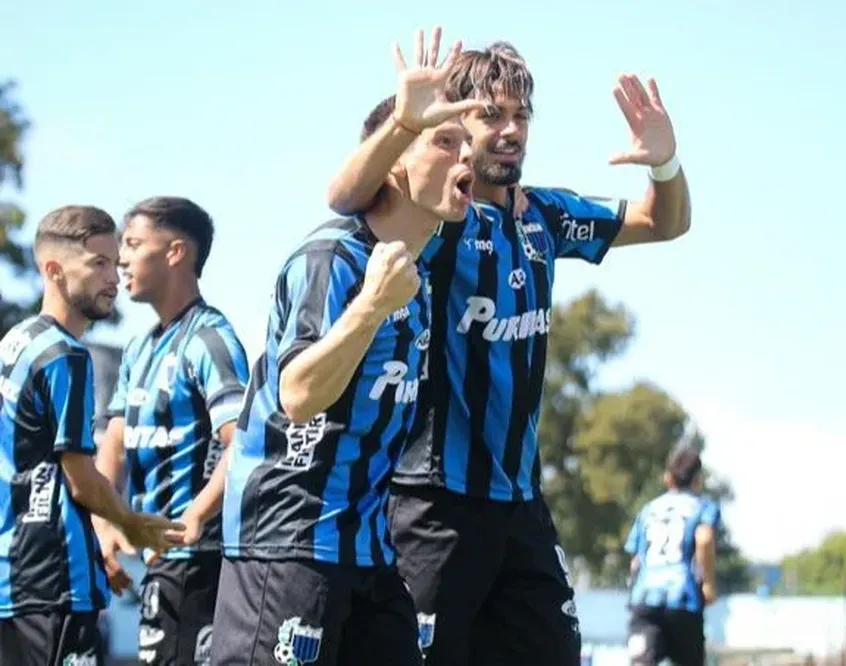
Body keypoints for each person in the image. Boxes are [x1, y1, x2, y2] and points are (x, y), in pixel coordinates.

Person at [325, 26, 692, 666]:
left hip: (522, 509)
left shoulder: (547, 217)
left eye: (521, 115)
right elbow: (346, 198)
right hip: (431, 505)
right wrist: (406, 127)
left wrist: (664, 161)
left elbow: (665, 222)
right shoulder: (437, 218)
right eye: (490, 114)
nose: (511, 129)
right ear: (453, 124)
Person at [210, 34, 481, 666]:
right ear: (393, 163)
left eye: (468, 145)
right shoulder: (334, 255)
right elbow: (298, 395)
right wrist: (368, 309)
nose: (466, 157)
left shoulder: (417, 274)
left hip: (368, 553)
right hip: (287, 543)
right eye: (445, 141)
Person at [0, 205, 184, 666]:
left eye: (114, 261)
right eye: (98, 263)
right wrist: (131, 523)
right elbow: (80, 477)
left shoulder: (16, 340)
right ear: (54, 271)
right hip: (52, 583)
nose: (114, 275)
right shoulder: (66, 356)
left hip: (13, 578)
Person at [92, 197, 250, 666]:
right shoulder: (139, 347)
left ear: (177, 252)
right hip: (156, 565)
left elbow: (241, 441)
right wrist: (106, 525)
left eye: (134, 244)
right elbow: (113, 444)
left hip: (200, 563)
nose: (121, 258)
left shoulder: (211, 339)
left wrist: (197, 513)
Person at [623, 447, 719, 666]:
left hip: (644, 599)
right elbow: (704, 539)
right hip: (683, 599)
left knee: (641, 663)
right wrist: (709, 586)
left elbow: (636, 560)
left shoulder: (648, 509)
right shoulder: (702, 506)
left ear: (667, 478)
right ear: (698, 480)